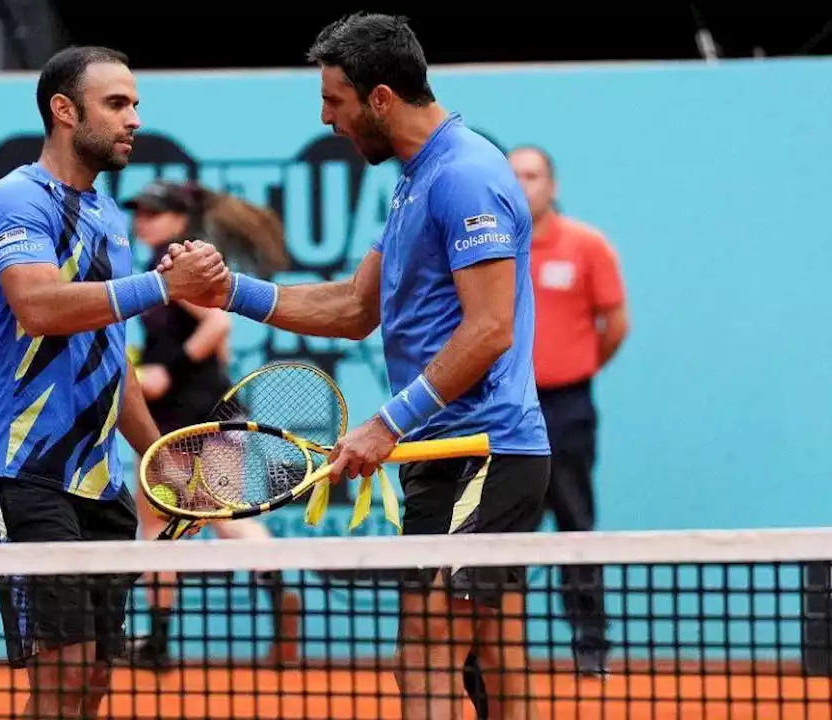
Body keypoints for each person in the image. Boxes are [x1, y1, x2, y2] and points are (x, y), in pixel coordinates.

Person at [158, 13, 550, 719]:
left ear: (379, 99)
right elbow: (352, 308)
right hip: (442, 452)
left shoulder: (464, 175)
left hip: (488, 450)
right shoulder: (415, 181)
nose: (325, 117)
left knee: (427, 649)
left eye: (334, 100)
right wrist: (229, 293)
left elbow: (490, 330)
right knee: (493, 648)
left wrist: (385, 423)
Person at [0, 45, 229, 719]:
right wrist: (164, 284)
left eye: (135, 104)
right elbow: (39, 308)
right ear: (64, 110)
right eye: (117, 104)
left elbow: (112, 359)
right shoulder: (17, 200)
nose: (133, 118)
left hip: (98, 483)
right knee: (63, 673)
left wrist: (163, 464)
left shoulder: (109, 218)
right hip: (23, 471)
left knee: (95, 680)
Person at [119, 179, 301, 669]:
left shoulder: (174, 266)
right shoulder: (176, 265)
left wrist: (165, 371)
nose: (143, 221)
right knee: (174, 521)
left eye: (154, 213)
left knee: (184, 520)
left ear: (180, 219)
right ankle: (160, 641)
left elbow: (219, 326)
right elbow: (216, 339)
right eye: (139, 212)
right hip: (199, 411)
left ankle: (157, 643)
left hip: (192, 414)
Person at [509, 144, 630, 675]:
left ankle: (591, 646)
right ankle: (502, 647)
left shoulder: (587, 246)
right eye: (513, 176)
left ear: (552, 186)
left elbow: (615, 326)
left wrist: (573, 369)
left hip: (567, 408)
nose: (523, 184)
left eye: (532, 175)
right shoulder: (490, 249)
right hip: (505, 411)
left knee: (576, 524)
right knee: (506, 531)